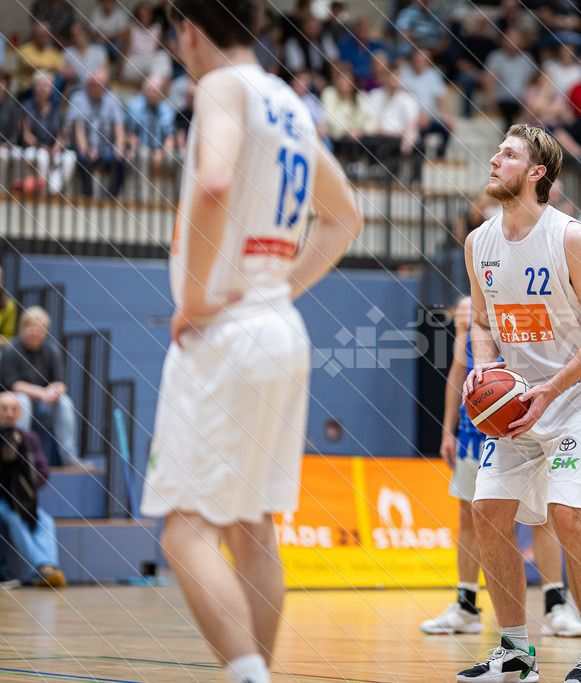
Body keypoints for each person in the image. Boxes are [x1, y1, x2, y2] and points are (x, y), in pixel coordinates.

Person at [138, 3, 363, 683]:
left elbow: (213, 181)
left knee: (185, 530)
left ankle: (248, 674)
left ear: (190, 32)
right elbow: (345, 216)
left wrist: (195, 297)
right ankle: (255, 672)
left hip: (227, 331)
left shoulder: (220, 87)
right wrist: (281, 287)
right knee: (254, 529)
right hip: (279, 328)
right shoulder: (290, 102)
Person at [458, 123, 581, 682]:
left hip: (579, 394)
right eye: (496, 151)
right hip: (516, 403)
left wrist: (550, 390)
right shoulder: (477, 242)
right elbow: (482, 322)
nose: (494, 159)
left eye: (508, 154)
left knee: (568, 515)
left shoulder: (569, 237)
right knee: (487, 511)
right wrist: (484, 366)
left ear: (537, 174)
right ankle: (514, 650)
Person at [421, 297, 581, 638]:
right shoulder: (467, 307)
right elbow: (457, 372)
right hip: (474, 428)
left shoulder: (528, 298)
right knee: (469, 513)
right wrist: (447, 429)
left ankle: (556, 605)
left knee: (542, 516)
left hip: (523, 423)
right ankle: (466, 606)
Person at [0, 307, 82, 468]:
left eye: (40, 328)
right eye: (31, 327)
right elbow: (13, 384)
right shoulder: (11, 350)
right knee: (22, 400)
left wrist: (55, 391)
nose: (35, 332)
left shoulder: (51, 351)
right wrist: (43, 392)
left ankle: (69, 456)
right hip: (15, 403)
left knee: (65, 402)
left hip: (44, 405)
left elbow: (60, 383)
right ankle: (19, 452)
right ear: (22, 328)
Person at [0, 391, 65, 587]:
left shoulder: (30, 438)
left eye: (14, 409)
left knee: (45, 520)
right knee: (14, 519)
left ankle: (48, 566)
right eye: (4, 409)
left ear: (20, 413)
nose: (9, 413)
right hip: (2, 499)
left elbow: (43, 470)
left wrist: (23, 485)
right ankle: (39, 568)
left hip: (23, 497)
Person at [67, 69, 127, 198]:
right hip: (82, 147)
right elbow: (78, 129)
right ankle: (87, 197)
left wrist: (120, 147)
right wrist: (86, 149)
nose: (99, 89)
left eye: (102, 85)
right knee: (83, 158)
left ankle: (109, 198)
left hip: (105, 148)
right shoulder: (78, 98)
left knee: (121, 159)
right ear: (88, 85)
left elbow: (119, 127)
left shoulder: (112, 99)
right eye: (95, 85)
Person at [20, 71, 75, 195]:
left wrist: (56, 148)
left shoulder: (57, 109)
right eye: (40, 85)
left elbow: (60, 135)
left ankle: (54, 190)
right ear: (34, 87)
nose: (43, 88)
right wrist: (42, 147)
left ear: (51, 88)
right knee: (42, 156)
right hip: (34, 147)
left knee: (70, 157)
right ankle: (42, 190)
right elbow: (26, 135)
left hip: (53, 149)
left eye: (46, 85)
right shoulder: (26, 107)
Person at [125, 75, 176, 174]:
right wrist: (142, 148)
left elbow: (169, 138)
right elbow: (129, 135)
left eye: (156, 91)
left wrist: (162, 153)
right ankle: (143, 189)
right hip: (140, 148)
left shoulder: (167, 110)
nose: (152, 94)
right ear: (143, 90)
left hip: (160, 150)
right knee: (143, 155)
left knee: (175, 157)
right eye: (150, 90)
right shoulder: (133, 106)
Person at [121, 1, 173, 84]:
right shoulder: (131, 28)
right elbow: (124, 52)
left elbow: (155, 52)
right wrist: (118, 72)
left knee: (162, 57)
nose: (145, 15)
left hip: (150, 63)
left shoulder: (157, 28)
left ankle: (154, 87)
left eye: (148, 12)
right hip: (133, 65)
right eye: (143, 12)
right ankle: (155, 88)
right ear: (137, 14)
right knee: (160, 60)